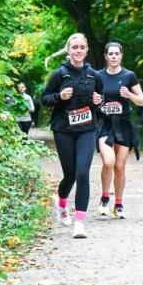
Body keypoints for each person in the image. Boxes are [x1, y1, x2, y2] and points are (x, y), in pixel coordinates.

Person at [39, 33, 105, 239]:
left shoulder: (95, 75)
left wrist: (98, 100)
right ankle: (61, 204)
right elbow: (44, 99)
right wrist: (59, 96)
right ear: (68, 50)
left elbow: (101, 99)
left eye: (82, 47)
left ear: (86, 50)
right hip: (63, 130)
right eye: (74, 47)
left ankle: (80, 223)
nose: (78, 51)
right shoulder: (60, 74)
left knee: (82, 174)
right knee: (70, 175)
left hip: (87, 129)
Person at [95, 41, 143, 219]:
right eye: (111, 54)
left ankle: (119, 204)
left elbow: (142, 100)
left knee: (120, 166)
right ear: (106, 56)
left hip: (123, 124)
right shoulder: (98, 76)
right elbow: (90, 98)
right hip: (105, 124)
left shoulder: (129, 76)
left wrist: (129, 95)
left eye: (117, 54)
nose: (114, 57)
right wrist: (96, 101)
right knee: (108, 162)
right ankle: (104, 199)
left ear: (121, 56)